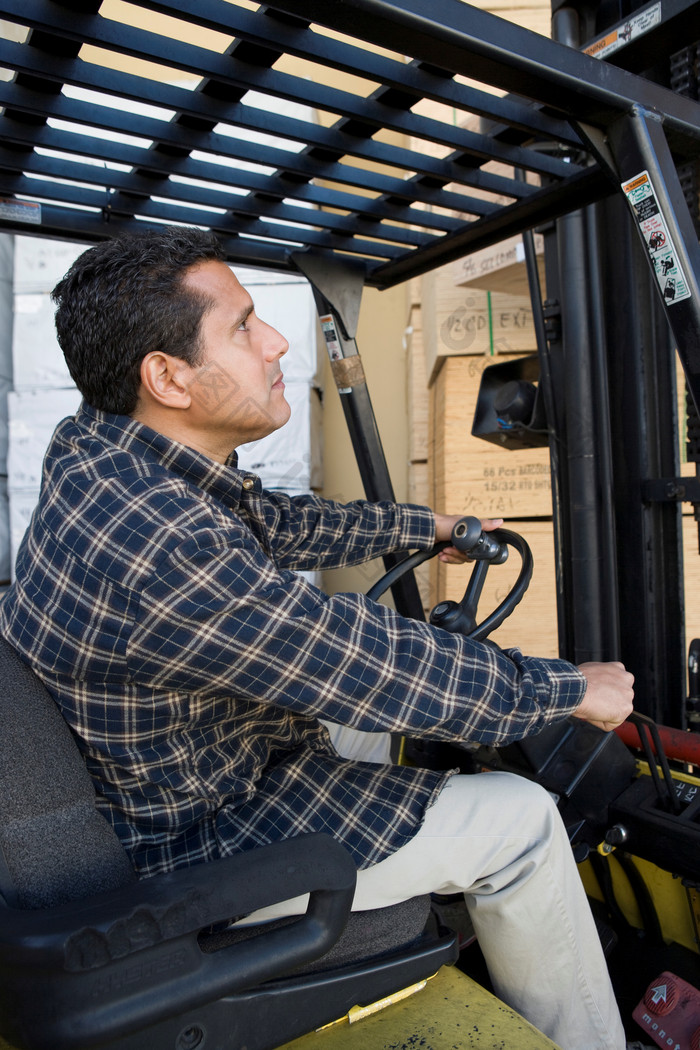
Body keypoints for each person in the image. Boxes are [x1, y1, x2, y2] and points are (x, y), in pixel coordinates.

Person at [0, 226, 637, 1050]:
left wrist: (422, 525)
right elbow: (366, 663)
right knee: (520, 818)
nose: (272, 345)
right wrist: (568, 688)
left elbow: (274, 522)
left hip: (169, 765)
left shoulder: (101, 453)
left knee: (390, 705)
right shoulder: (164, 551)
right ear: (167, 376)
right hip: (191, 850)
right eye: (241, 326)